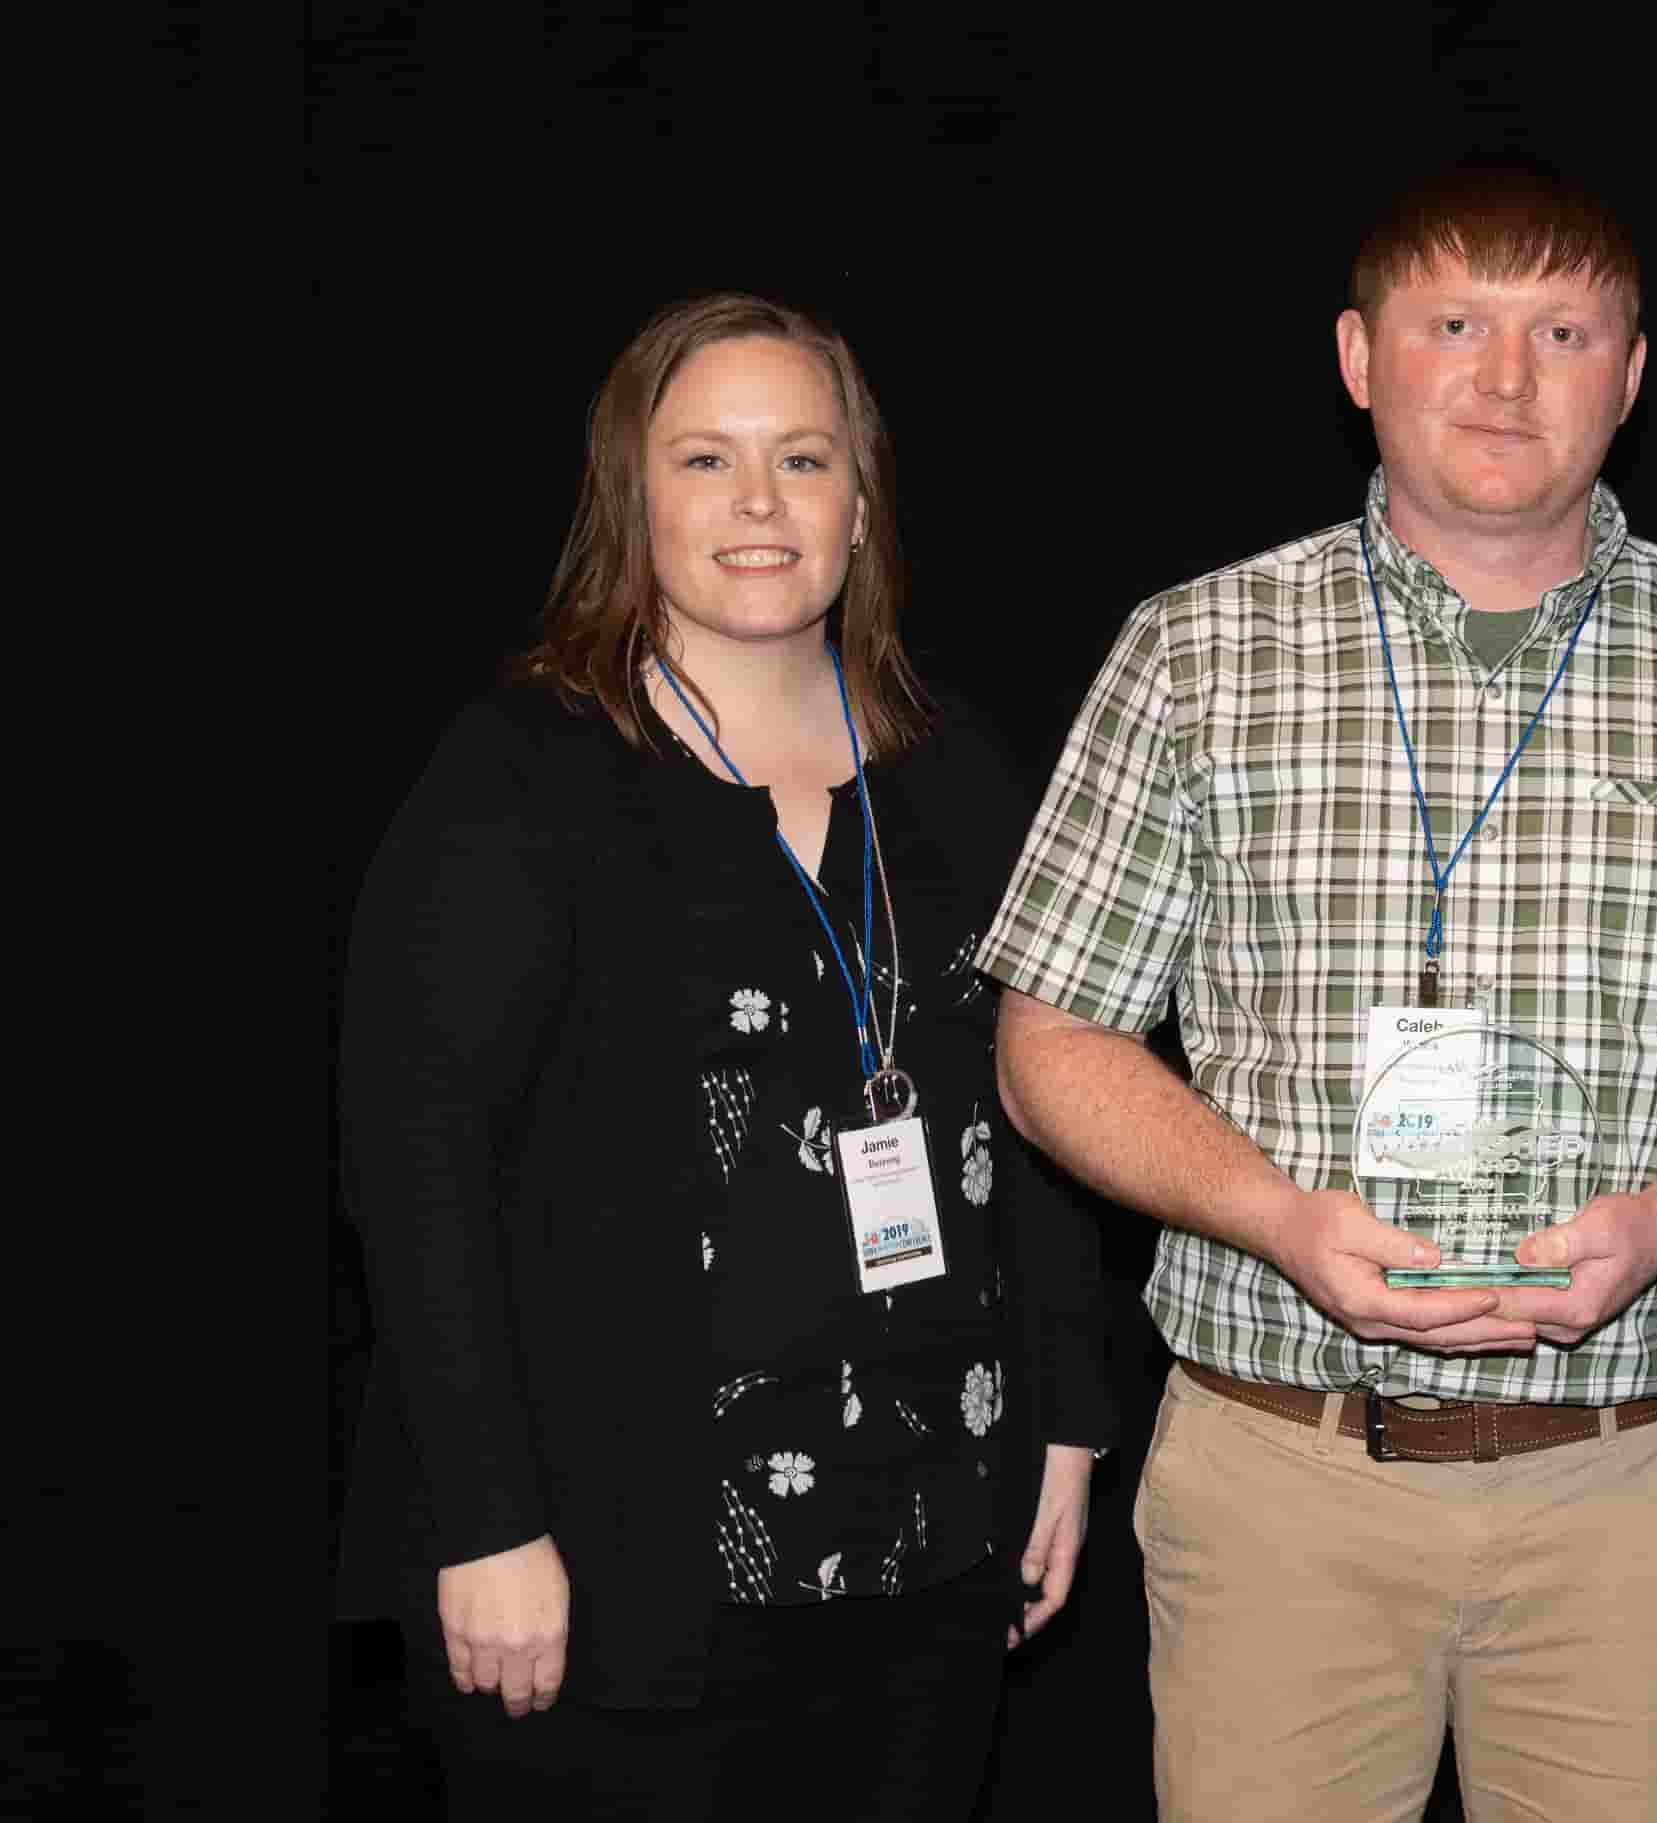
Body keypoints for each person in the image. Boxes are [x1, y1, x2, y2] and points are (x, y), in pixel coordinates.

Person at [977, 161, 1657, 1822]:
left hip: (1629, 1485)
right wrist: (1284, 1220)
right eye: (1456, 325)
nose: (1508, 380)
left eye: (1563, 331)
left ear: (1631, 378)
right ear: (1360, 357)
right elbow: (1048, 1040)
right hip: (1280, 1468)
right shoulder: (1196, 652)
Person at [336, 292, 1115, 1822]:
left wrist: (1071, 1417)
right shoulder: (525, 774)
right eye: (706, 459)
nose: (759, 504)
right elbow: (413, 1164)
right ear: (632, 497)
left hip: (935, 1537)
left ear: (862, 500)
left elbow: (1048, 1104)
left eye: (804, 460)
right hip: (617, 1569)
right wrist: (486, 1525)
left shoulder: (960, 772)